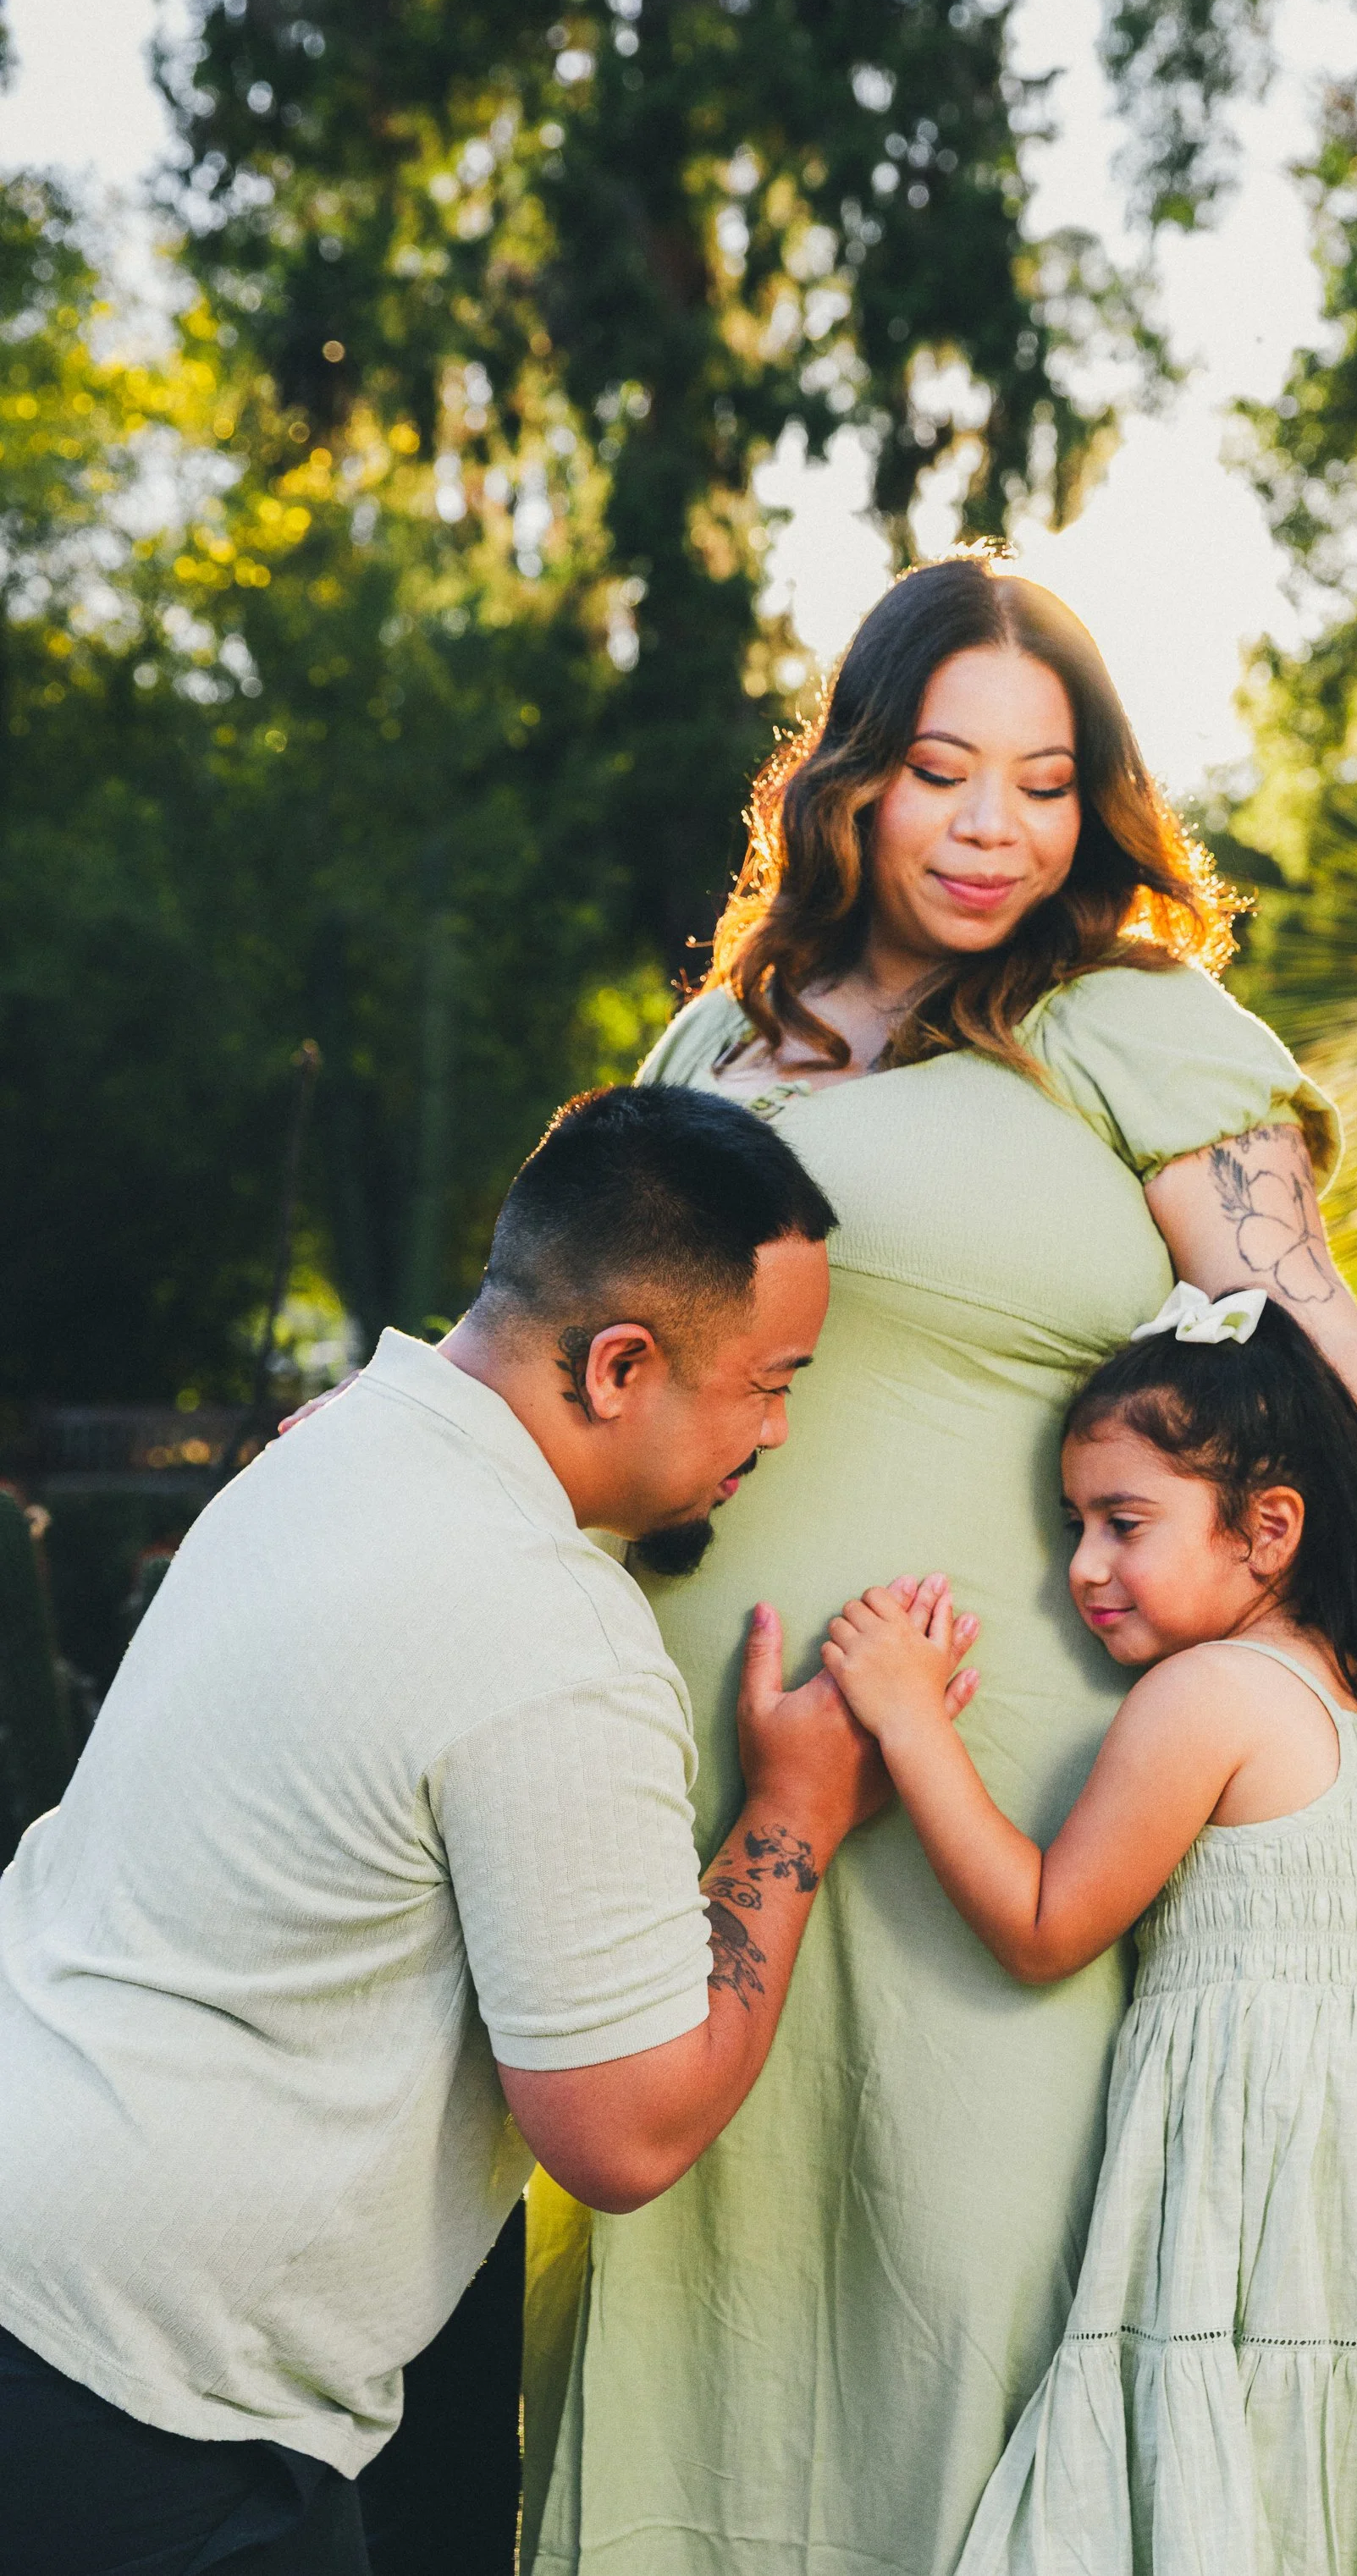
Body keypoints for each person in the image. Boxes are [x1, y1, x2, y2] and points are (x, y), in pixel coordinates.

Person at [522, 557, 1357, 2576]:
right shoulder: (716, 1038)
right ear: (852, 779)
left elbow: (1321, 1351)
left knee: (980, 2282)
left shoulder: (1129, 1022)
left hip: (1009, 1787)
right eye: (943, 771)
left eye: (1046, 785)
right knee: (691, 2295)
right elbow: (584, 1354)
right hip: (699, 1764)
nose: (994, 830)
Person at [0, 1084, 967, 2576]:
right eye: (769, 1383)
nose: (779, 1429)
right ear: (620, 1363)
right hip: (146, 2393)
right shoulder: (548, 1631)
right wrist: (798, 1808)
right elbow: (623, 2126)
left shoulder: (334, 1443)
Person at [820, 1287, 1357, 2576]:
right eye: (1074, 1526)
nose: (1083, 1566)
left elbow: (1042, 1925)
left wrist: (910, 1721)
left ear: (1269, 1529)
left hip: (1264, 2220)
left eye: (1124, 1523)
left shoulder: (1208, 1695)